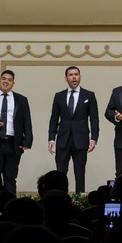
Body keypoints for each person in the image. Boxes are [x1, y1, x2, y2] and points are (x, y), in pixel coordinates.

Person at [48, 66, 100, 194]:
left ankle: (80, 200)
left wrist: (94, 138)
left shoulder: (89, 95)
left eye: (76, 74)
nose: (74, 77)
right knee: (60, 173)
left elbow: (94, 118)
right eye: (71, 75)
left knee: (80, 172)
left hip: (81, 140)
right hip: (63, 139)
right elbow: (54, 119)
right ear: (66, 78)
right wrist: (51, 139)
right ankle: (59, 199)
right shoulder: (59, 96)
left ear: (80, 76)